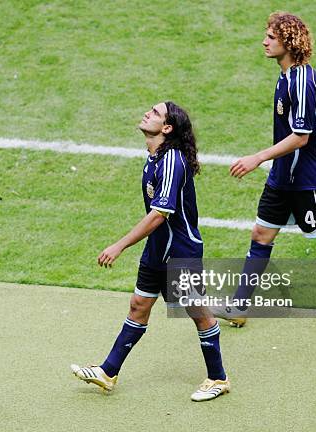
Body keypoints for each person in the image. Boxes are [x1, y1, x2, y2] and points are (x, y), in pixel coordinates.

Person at [218, 12, 316, 327]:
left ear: (288, 43)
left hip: (306, 178)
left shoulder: (301, 80)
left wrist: (258, 157)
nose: (264, 41)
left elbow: (301, 137)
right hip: (283, 177)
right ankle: (238, 306)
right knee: (261, 234)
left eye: (271, 37)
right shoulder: (288, 77)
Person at [71, 101, 230, 402]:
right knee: (138, 306)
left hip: (180, 252)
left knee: (197, 313)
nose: (147, 113)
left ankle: (218, 378)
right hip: (157, 249)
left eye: (155, 113)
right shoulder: (154, 158)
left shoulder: (172, 161)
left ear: (167, 128)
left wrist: (119, 245)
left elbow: (160, 214)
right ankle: (108, 371)